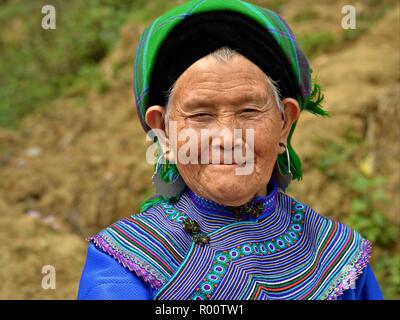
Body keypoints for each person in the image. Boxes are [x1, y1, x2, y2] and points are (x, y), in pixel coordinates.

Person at [77, 0, 383, 300]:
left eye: (249, 110)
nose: (227, 138)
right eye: (200, 115)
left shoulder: (340, 257)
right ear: (164, 133)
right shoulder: (124, 266)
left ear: (284, 124)